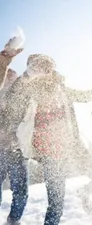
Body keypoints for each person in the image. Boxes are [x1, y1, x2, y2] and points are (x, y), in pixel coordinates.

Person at [1, 54, 92, 225]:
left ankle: (84, 192)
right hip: (50, 155)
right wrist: (27, 76)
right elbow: (12, 98)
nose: (45, 71)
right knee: (56, 204)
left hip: (73, 147)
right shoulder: (27, 92)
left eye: (47, 66)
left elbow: (84, 95)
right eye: (38, 67)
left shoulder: (61, 88)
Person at [0, 34, 28, 225]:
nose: (11, 80)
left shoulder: (21, 96)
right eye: (8, 76)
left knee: (21, 189)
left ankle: (14, 220)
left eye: (14, 78)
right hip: (0, 149)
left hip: (17, 149)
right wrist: (5, 59)